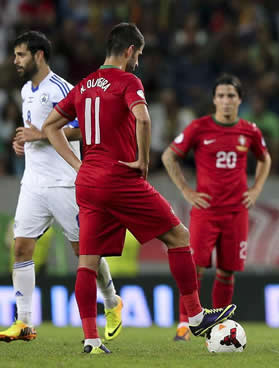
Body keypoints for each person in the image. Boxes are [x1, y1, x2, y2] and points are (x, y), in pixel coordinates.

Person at [42, 23, 236, 354]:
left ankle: (91, 339)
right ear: (130, 50)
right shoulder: (128, 81)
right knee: (179, 237)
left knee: (87, 263)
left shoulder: (85, 84)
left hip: (88, 182)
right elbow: (144, 119)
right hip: (119, 177)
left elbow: (50, 126)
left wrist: (78, 165)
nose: (138, 62)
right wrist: (143, 160)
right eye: (139, 55)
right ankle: (196, 315)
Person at [0, 31, 123, 343]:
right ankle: (24, 322)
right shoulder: (27, 89)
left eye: (21, 54)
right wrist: (23, 143)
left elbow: (85, 129)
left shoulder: (63, 88)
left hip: (65, 183)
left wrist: (38, 136)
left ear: (39, 55)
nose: (15, 61)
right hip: (33, 183)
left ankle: (111, 300)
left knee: (84, 252)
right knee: (21, 247)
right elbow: (34, 133)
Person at [162, 74, 271, 341]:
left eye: (231, 96)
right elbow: (169, 156)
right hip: (206, 211)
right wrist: (186, 191)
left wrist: (256, 189)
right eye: (221, 96)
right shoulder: (199, 128)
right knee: (194, 268)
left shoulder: (250, 130)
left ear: (239, 100)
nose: (225, 101)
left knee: (227, 270)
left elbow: (264, 159)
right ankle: (185, 325)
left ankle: (219, 325)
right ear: (214, 100)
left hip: (236, 212)